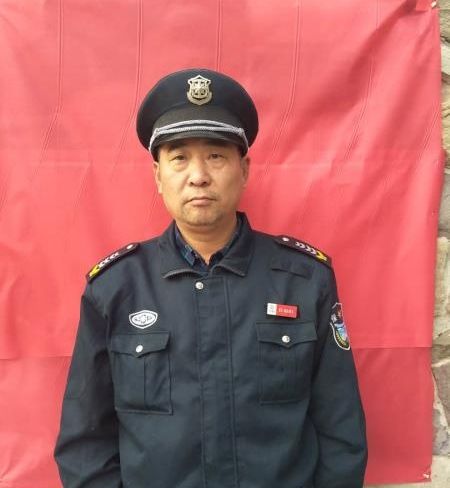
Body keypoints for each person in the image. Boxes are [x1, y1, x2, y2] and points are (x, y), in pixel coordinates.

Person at [54, 68, 368, 488]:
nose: (198, 175)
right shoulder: (115, 289)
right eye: (179, 157)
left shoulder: (305, 281)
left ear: (244, 169)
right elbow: (85, 443)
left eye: (216, 155)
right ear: (158, 175)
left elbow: (341, 431)